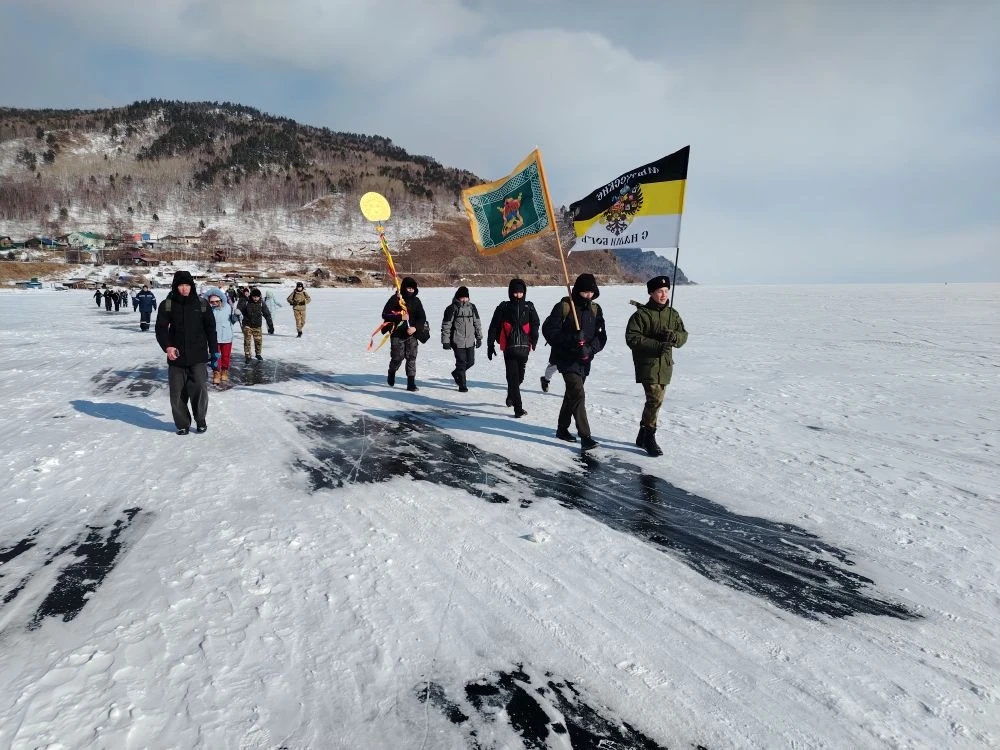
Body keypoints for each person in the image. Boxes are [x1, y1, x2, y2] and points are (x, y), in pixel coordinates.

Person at [541, 273, 607, 450]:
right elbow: (548, 330)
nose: (588, 295)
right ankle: (585, 436)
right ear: (577, 290)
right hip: (565, 358)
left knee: (572, 394)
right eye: (585, 292)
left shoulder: (595, 309)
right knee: (578, 393)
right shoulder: (564, 306)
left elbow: (602, 336)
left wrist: (590, 349)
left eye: (591, 292)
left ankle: (562, 429)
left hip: (585, 360)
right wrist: (571, 338)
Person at [625, 275, 689, 456]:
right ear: (651, 293)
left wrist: (674, 337)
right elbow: (632, 338)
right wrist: (656, 345)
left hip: (666, 364)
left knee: (655, 401)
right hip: (648, 364)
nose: (663, 294)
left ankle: (642, 434)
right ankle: (650, 438)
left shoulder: (672, 314)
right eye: (659, 291)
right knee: (655, 400)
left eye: (666, 291)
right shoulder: (641, 315)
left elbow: (683, 335)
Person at [154, 270, 218, 435]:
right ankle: (182, 423)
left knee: (199, 388)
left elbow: (210, 328)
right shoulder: (167, 304)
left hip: (198, 355)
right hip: (177, 356)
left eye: (187, 285)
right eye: (181, 285)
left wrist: (214, 351)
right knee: (177, 392)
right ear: (176, 286)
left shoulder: (201, 304)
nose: (184, 289)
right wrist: (167, 347)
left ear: (192, 286)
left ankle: (200, 419)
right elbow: (160, 329)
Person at [487, 279, 539, 417]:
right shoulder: (503, 307)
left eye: (520, 292)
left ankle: (511, 394)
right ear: (510, 292)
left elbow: (535, 323)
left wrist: (534, 338)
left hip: (524, 348)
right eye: (515, 292)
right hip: (509, 347)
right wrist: (490, 344)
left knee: (519, 377)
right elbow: (493, 326)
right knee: (513, 377)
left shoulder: (529, 307)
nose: (518, 295)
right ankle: (518, 408)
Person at [381, 276, 426, 391]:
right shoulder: (396, 299)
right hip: (397, 333)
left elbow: (422, 317)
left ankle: (411, 383)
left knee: (411, 358)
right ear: (404, 288)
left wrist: (415, 328)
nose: (410, 290)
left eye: (412, 288)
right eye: (408, 288)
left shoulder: (417, 301)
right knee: (398, 357)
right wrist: (400, 317)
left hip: (411, 334)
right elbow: (385, 314)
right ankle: (392, 371)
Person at [440, 285, 483, 392]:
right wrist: (445, 341)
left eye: (466, 297)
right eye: (462, 297)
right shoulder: (451, 308)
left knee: (471, 362)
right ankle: (462, 385)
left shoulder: (472, 307)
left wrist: (479, 337)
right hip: (457, 341)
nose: (464, 299)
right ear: (458, 297)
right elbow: (446, 325)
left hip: (469, 340)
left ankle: (456, 373)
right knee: (462, 362)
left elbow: (477, 323)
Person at [203, 286, 240, 384]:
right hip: (214, 338)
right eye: (212, 302)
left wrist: (236, 316)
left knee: (226, 356)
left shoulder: (228, 307)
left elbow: (232, 321)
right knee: (215, 356)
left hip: (227, 337)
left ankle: (224, 370)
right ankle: (216, 372)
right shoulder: (208, 309)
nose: (214, 303)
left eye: (216, 301)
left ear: (220, 300)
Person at [237, 287, 272, 362]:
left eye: (257, 297)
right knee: (247, 341)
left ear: (260, 296)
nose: (255, 298)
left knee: (258, 341)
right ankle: (248, 355)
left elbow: (267, 314)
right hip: (247, 325)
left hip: (257, 325)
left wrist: (270, 325)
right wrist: (237, 311)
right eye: (254, 297)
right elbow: (239, 308)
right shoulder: (247, 302)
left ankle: (258, 354)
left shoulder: (262, 303)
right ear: (251, 296)